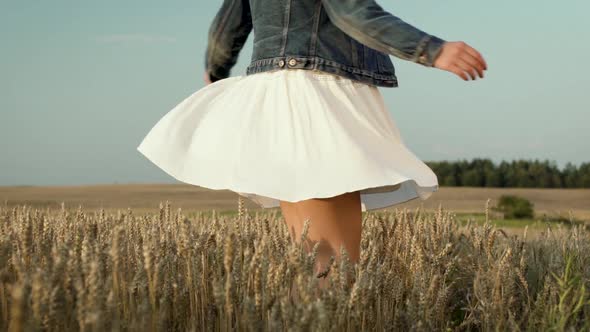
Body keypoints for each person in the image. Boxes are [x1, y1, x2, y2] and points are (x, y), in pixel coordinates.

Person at [137, 0, 487, 289]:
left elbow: (226, 27)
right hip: (319, 93)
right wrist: (431, 49)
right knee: (335, 267)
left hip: (275, 94)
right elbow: (352, 11)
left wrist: (215, 70)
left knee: (314, 259)